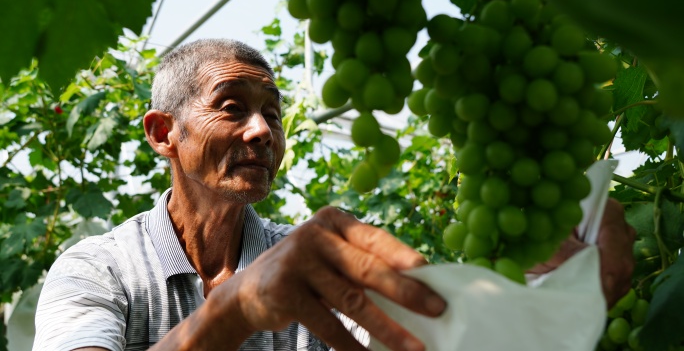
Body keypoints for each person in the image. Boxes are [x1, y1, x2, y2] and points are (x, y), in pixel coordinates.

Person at [32, 39, 635, 351]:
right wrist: (233, 309)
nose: (262, 130)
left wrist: (537, 269)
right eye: (232, 108)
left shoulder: (303, 261)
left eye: (273, 112)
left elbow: (420, 335)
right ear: (164, 132)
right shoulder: (99, 269)